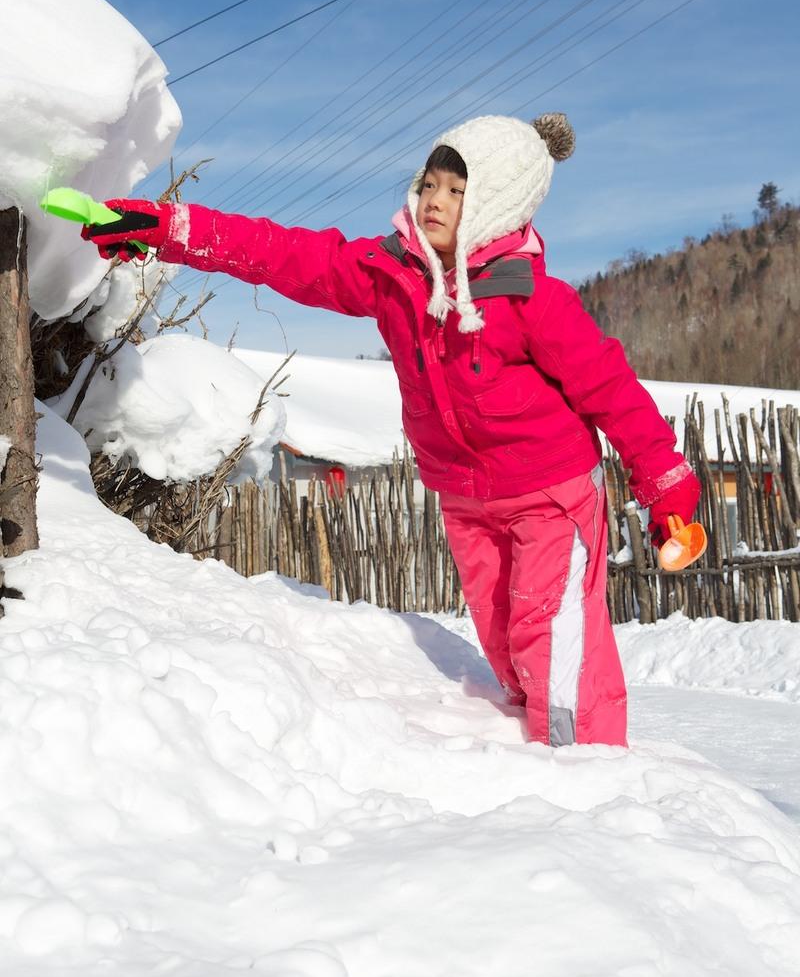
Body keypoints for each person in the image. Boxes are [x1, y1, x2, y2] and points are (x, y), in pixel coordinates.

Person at [81, 112, 700, 748]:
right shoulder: (394, 278)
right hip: (466, 499)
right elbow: (287, 254)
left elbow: (615, 395)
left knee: (551, 641)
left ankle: (585, 773)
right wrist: (170, 230)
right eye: (429, 183)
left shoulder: (534, 299)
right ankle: (527, 747)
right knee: (503, 640)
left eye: (457, 190)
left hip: (552, 497)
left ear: (498, 202)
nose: (434, 200)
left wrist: (668, 487)